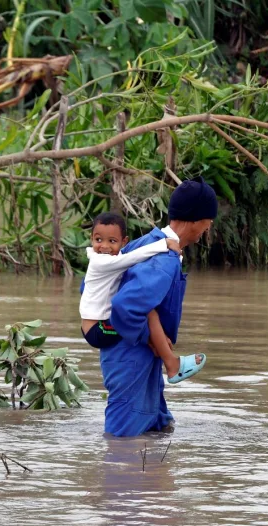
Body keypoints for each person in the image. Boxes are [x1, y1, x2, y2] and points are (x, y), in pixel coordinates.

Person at [87, 177, 217, 437]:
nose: (209, 227)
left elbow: (91, 285)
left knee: (159, 429)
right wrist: (150, 339)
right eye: (208, 221)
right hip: (130, 361)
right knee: (121, 444)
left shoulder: (145, 244)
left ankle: (153, 477)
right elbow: (125, 307)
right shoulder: (164, 259)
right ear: (195, 220)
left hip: (139, 362)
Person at [79, 212, 205, 381]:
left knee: (145, 317)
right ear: (91, 238)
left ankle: (159, 347)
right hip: (97, 330)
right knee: (148, 314)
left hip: (97, 325)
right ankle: (171, 363)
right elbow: (132, 258)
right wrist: (164, 244)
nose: (104, 246)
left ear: (124, 242)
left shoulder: (113, 258)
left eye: (112, 241)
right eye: (98, 240)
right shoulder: (100, 261)